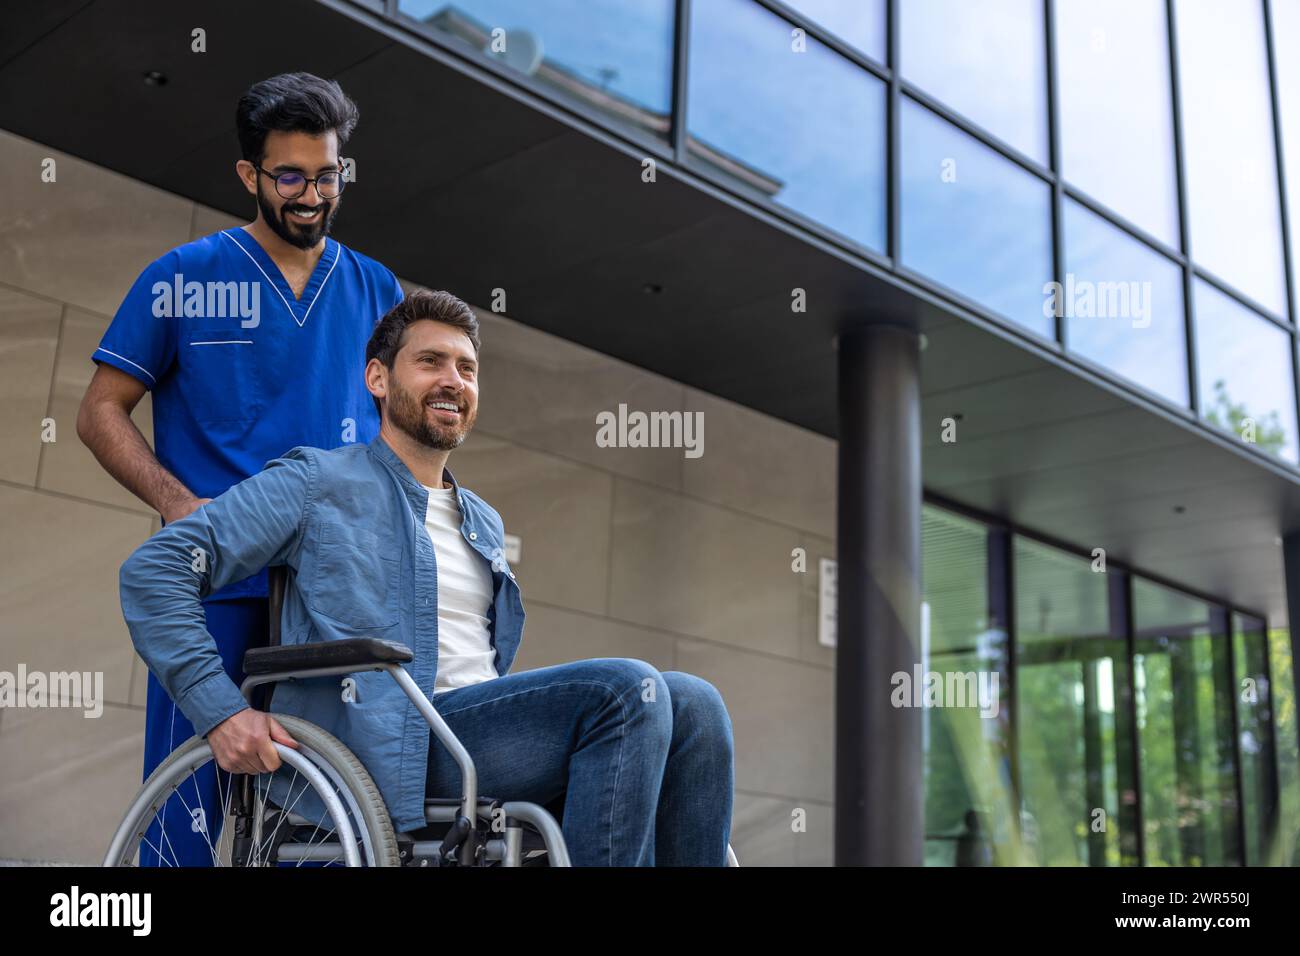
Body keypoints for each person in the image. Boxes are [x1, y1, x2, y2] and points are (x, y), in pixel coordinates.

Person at [118, 289, 736, 866]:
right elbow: (154, 572)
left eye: (467, 369)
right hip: (385, 741)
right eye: (431, 362)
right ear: (378, 379)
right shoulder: (317, 482)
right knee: (628, 690)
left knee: (695, 702)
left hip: (473, 739)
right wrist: (221, 713)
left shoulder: (482, 521)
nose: (453, 381)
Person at [76, 72, 405, 865]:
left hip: (336, 596)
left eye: (326, 176)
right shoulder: (183, 276)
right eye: (289, 176)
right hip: (217, 587)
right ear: (248, 175)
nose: (310, 194)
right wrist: (180, 504)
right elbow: (98, 413)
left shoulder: (377, 290)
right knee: (185, 815)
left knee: (334, 818)